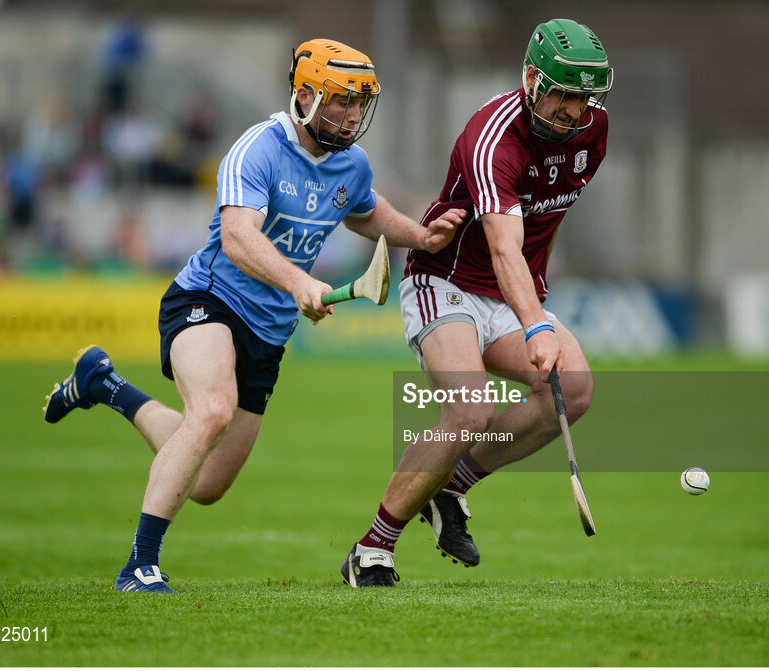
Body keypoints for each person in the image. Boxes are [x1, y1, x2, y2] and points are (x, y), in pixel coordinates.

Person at [43, 39, 465, 593]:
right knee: (212, 411)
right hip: (209, 301)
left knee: (208, 483)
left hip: (268, 336)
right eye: (341, 101)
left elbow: (363, 210)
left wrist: (420, 235)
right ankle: (138, 567)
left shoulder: (350, 163)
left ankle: (104, 383)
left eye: (361, 103)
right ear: (307, 95)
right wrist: (299, 283)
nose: (354, 114)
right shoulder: (257, 149)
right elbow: (239, 239)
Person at [341, 18, 611, 588]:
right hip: (448, 282)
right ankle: (372, 551)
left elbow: (548, 219)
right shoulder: (494, 138)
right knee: (469, 409)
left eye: (584, 98)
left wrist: (536, 300)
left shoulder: (594, 131)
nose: (573, 111)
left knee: (575, 388)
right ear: (533, 80)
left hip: (513, 294)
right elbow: (503, 245)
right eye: (563, 95)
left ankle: (453, 488)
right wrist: (536, 326)